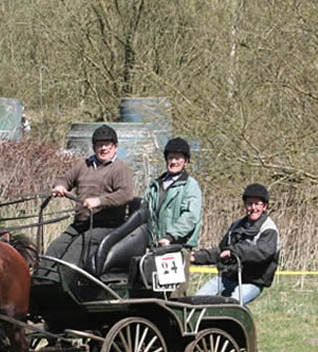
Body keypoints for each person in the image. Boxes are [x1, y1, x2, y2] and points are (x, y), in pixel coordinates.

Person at [45, 124, 134, 267]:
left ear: (115, 147)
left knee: (74, 252)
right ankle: (41, 282)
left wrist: (99, 201)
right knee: (54, 249)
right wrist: (60, 186)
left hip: (108, 226)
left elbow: (125, 194)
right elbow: (65, 179)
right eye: (100, 145)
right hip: (81, 223)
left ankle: (62, 285)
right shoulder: (84, 165)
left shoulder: (120, 168)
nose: (103, 148)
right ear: (94, 147)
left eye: (107, 145)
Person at [191, 183, 280, 305]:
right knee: (195, 301)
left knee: (231, 305)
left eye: (257, 204)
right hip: (228, 278)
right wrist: (196, 257)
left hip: (252, 282)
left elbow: (262, 252)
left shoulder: (269, 229)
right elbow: (222, 251)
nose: (253, 208)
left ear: (264, 206)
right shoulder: (236, 226)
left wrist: (234, 251)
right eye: (249, 203)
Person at [144, 137, 203, 296]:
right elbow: (145, 212)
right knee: (153, 295)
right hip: (154, 249)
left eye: (178, 158)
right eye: (171, 157)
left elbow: (190, 217)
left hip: (176, 249)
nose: (174, 161)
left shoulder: (190, 186)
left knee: (173, 296)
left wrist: (170, 237)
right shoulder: (155, 186)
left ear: (186, 161)